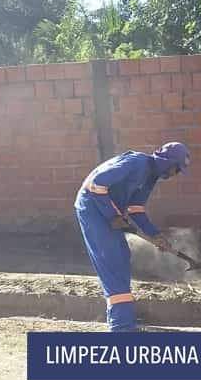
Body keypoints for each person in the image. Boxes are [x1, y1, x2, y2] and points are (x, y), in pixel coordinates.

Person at [74, 142, 191, 332]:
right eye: (176, 169)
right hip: (92, 209)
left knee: (121, 258)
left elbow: (136, 208)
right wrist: (113, 215)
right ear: (167, 163)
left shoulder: (150, 177)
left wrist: (155, 235)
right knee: (113, 262)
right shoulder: (136, 163)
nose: (175, 174)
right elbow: (96, 185)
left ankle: (123, 322)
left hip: (109, 212)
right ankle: (121, 327)